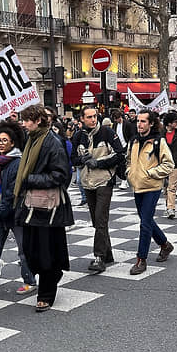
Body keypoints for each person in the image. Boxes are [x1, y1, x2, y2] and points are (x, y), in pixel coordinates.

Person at [13, 104, 73, 312]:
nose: (24, 123)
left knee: (45, 251)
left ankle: (46, 294)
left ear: (38, 120)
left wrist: (29, 179)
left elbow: (61, 175)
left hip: (48, 207)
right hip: (32, 204)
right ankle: (53, 275)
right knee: (31, 250)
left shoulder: (52, 142)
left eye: (27, 119)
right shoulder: (32, 140)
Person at [0, 122, 37, 298]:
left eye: (5, 140)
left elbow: (12, 194)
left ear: (12, 143)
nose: (1, 143)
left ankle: (30, 280)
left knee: (23, 249)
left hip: (16, 213)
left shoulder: (17, 163)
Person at [72, 106, 125, 273]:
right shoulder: (78, 136)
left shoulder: (107, 133)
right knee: (97, 221)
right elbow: (72, 159)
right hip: (87, 182)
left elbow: (119, 154)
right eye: (88, 117)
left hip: (104, 180)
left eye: (94, 116)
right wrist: (81, 159)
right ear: (82, 119)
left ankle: (99, 257)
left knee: (101, 218)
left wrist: (98, 162)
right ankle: (107, 253)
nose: (93, 119)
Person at [125, 110, 175, 275]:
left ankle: (141, 259)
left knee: (145, 223)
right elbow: (128, 160)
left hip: (152, 187)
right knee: (146, 220)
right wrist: (129, 173)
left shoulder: (158, 142)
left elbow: (169, 164)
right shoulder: (133, 141)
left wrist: (151, 173)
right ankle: (165, 245)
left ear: (151, 123)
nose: (139, 124)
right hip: (137, 186)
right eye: (138, 121)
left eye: (143, 121)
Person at [112, 109, 135, 190]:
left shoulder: (127, 124)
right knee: (117, 165)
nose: (115, 121)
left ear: (119, 117)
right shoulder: (115, 125)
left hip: (126, 146)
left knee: (123, 165)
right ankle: (125, 179)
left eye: (116, 119)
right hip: (118, 147)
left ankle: (124, 180)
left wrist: (128, 146)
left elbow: (132, 136)